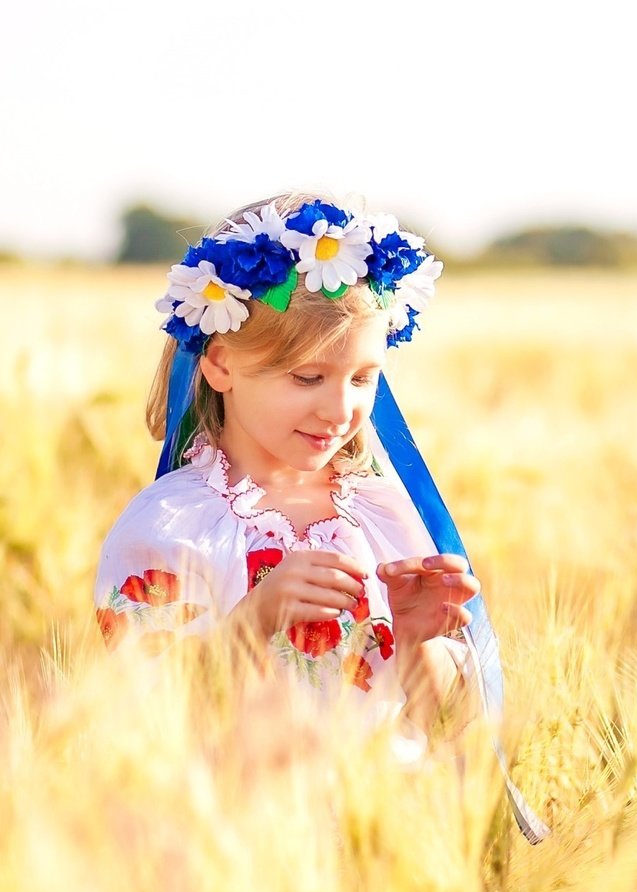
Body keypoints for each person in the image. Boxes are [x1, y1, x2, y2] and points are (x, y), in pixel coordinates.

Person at [95, 192, 547, 841]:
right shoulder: (169, 528)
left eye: (363, 378)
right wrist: (253, 623)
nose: (340, 409)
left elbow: (429, 717)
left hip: (385, 848)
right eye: (308, 378)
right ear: (220, 362)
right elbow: (140, 712)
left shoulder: (384, 516)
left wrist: (421, 642)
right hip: (234, 855)